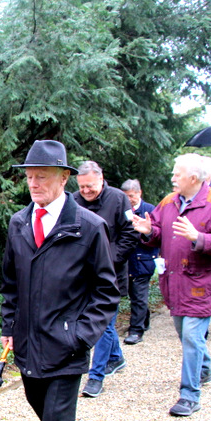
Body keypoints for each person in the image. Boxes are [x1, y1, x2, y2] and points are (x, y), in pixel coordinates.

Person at [0, 140, 119, 421]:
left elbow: (106, 292)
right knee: (43, 408)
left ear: (64, 178)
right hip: (28, 342)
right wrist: (9, 327)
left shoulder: (89, 226)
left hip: (67, 347)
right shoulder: (19, 223)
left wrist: (80, 336)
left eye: (42, 177)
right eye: (29, 177)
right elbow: (10, 283)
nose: (34, 184)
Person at [132, 154, 211, 417]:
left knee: (192, 336)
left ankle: (189, 395)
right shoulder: (169, 202)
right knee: (186, 334)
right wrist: (148, 231)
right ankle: (204, 369)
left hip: (201, 284)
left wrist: (199, 238)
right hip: (174, 282)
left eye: (177, 173)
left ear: (193, 178)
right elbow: (159, 232)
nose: (172, 177)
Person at [74, 162, 138, 397]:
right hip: (82, 277)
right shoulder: (73, 201)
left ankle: (95, 377)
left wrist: (109, 259)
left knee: (103, 325)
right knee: (100, 324)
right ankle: (116, 357)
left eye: (90, 186)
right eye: (81, 187)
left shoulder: (119, 199)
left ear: (101, 180)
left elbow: (131, 233)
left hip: (111, 276)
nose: (86, 191)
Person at [120, 179, 159, 345]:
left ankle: (136, 330)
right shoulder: (121, 209)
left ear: (139, 193)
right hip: (125, 261)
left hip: (143, 260)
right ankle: (144, 319)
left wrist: (146, 233)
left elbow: (157, 235)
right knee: (133, 294)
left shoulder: (150, 210)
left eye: (132, 196)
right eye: (126, 196)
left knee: (138, 296)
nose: (129, 199)